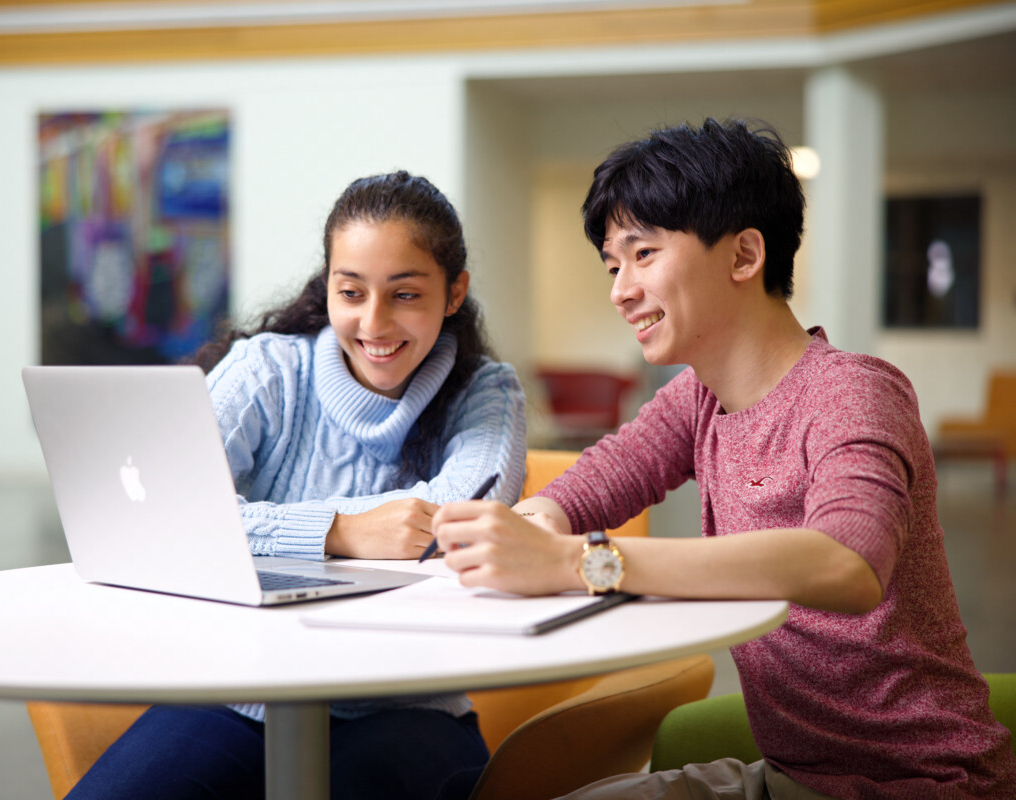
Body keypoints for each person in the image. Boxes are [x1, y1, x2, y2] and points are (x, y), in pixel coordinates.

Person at [431, 119, 1016, 798]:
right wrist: (530, 526)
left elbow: (846, 562)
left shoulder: (851, 392)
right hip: (793, 777)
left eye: (643, 254)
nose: (620, 290)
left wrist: (577, 562)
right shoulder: (697, 400)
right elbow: (589, 486)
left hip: (922, 784)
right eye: (613, 265)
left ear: (743, 255)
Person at [67, 170, 526, 800]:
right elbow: (166, 511)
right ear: (327, 286)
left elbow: (459, 520)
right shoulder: (267, 370)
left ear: (454, 293)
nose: (374, 322)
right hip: (240, 692)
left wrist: (248, 524)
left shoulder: (487, 394)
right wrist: (341, 531)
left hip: (405, 708)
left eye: (405, 294)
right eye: (351, 291)